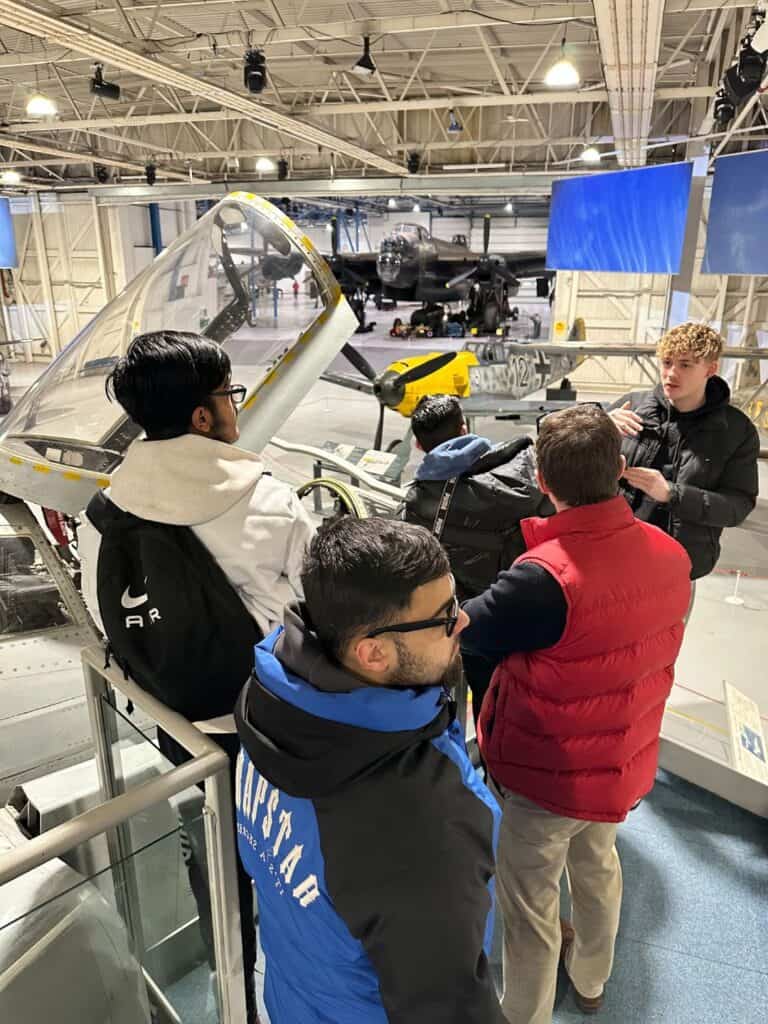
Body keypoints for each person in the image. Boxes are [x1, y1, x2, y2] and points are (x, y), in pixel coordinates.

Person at [79, 330, 316, 1023]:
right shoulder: (267, 498)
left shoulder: (104, 512)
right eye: (228, 395)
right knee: (287, 854)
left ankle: (226, 977)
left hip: (177, 725)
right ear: (204, 418)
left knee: (206, 848)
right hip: (266, 722)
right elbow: (317, 610)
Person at [460, 405, 691, 1023]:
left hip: (544, 772)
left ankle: (524, 1015)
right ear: (619, 470)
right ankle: (592, 981)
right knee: (597, 871)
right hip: (619, 761)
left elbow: (465, 632)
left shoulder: (540, 579)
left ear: (541, 481)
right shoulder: (671, 555)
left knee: (530, 909)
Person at [234, 517, 505, 1024]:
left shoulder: (267, 702)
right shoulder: (423, 826)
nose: (464, 622)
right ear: (373, 652)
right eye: (445, 617)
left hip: (292, 996)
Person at [401, 393, 550, 727]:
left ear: (420, 446)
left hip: (450, 623)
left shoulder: (417, 499)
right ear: (464, 427)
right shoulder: (526, 474)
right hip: (513, 620)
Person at [610, 321, 759, 581]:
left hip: (678, 566)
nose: (671, 373)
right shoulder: (631, 406)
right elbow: (577, 462)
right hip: (615, 552)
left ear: (710, 369)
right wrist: (600, 426)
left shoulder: (737, 431)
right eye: (667, 363)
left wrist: (673, 494)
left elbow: (738, 506)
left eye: (685, 364)